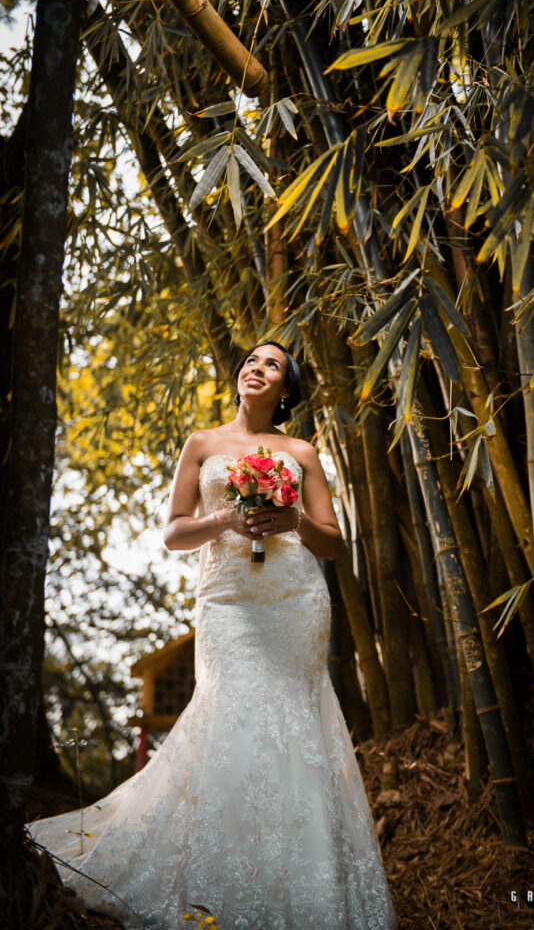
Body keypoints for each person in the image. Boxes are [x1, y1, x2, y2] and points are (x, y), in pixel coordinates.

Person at [29, 340, 397, 930]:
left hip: (294, 600)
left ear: (286, 390)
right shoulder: (202, 443)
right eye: (252, 360)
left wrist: (294, 520)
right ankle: (218, 880)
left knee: (296, 724)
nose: (258, 367)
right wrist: (227, 516)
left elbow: (332, 540)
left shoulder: (301, 450)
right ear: (239, 377)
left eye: (273, 364)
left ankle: (304, 884)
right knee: (233, 715)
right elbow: (174, 533)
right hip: (227, 602)